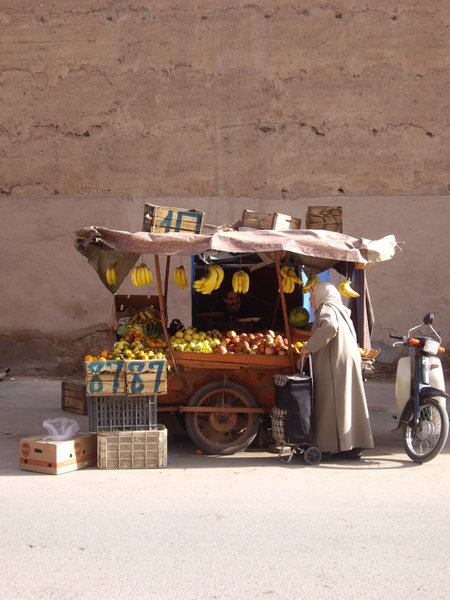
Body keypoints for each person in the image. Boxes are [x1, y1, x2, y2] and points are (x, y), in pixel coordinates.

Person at [298, 281, 374, 460]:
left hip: (335, 363)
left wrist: (308, 347)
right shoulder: (340, 309)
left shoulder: (328, 307)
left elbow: (330, 328)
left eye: (312, 296)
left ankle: (327, 446)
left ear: (322, 296)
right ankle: (351, 446)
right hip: (346, 360)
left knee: (330, 404)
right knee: (347, 403)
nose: (310, 300)